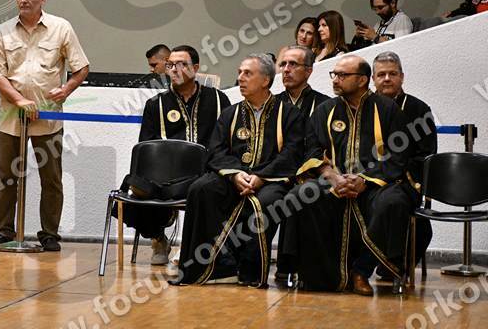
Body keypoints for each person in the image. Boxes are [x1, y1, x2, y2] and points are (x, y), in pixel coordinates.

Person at [282, 56, 414, 296]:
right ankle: (320, 276)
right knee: (300, 195)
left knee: (393, 202)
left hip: (376, 184)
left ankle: (361, 271)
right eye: (334, 74)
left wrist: (364, 180)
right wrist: (332, 176)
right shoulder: (325, 110)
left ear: (362, 80)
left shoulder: (387, 109)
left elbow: (398, 154)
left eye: (343, 75)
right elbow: (312, 150)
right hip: (334, 184)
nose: (336, 80)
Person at [175, 54, 305, 287]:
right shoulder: (230, 113)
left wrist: (260, 177)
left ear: (265, 80)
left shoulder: (289, 114)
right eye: (239, 73)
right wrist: (235, 174)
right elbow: (216, 150)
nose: (240, 78)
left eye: (247, 73)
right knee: (201, 189)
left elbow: (292, 153)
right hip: (233, 177)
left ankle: (249, 270)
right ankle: (211, 267)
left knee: (264, 202)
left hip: (271, 180)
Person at [0, 0, 90, 252]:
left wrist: (66, 89)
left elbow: (81, 67)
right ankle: (3, 232)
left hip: (48, 117)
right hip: (11, 117)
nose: (24, 0)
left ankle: (49, 234)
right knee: (7, 177)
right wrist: (19, 99)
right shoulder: (2, 31)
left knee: (51, 178)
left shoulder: (61, 28)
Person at [126, 45, 231, 266]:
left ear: (195, 68)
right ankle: (158, 237)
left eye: (181, 64)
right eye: (170, 65)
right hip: (166, 174)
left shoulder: (218, 99)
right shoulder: (156, 104)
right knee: (137, 184)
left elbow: (227, 143)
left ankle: (192, 244)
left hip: (205, 171)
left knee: (207, 187)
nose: (174, 69)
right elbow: (146, 146)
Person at [373, 51, 436, 273]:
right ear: (372, 79)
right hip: (366, 177)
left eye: (392, 74)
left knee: (394, 203)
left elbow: (426, 154)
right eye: (381, 74)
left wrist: (394, 174)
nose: (387, 79)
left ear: (402, 76)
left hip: (404, 181)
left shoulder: (419, 109)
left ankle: (392, 264)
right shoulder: (363, 107)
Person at [273, 45, 330, 283]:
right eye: (283, 64)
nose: (286, 70)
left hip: (311, 175)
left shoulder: (325, 105)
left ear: (308, 71)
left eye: (293, 64)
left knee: (300, 195)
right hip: (275, 173)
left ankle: (295, 266)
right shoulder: (272, 104)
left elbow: (324, 147)